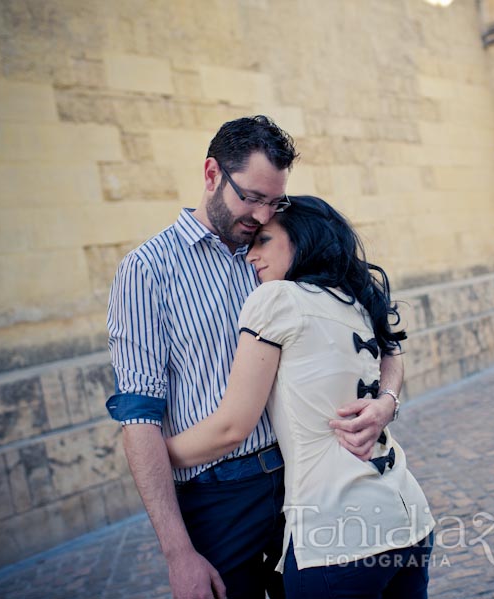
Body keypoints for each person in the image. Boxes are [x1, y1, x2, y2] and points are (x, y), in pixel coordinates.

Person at [106, 116, 402, 599]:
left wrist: (385, 401)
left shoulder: (283, 251)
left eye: (274, 201)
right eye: (251, 197)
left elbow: (384, 340)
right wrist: (178, 554)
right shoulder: (147, 271)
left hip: (304, 483)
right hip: (220, 496)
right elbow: (139, 416)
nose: (263, 215)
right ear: (211, 174)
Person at [164, 195, 436, 599]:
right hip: (408, 518)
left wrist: (154, 453)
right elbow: (392, 351)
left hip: (337, 537)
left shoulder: (276, 299)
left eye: (264, 241)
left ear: (302, 240)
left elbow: (232, 427)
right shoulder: (357, 300)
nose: (250, 256)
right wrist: (387, 401)